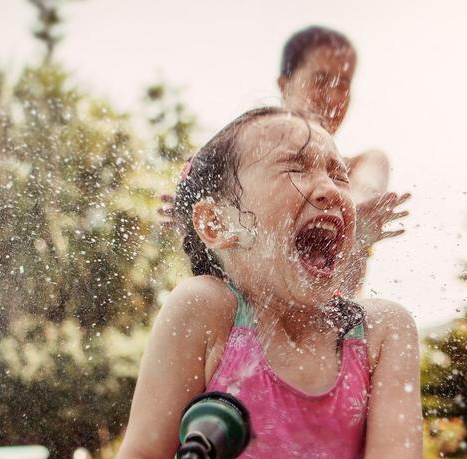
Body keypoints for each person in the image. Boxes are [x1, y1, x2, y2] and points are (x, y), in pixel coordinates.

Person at [116, 107, 422, 459]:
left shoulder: (381, 333)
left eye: (338, 174)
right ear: (217, 222)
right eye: (295, 167)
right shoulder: (206, 311)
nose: (329, 189)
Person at [160, 26, 409, 296]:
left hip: (338, 331)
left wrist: (356, 224)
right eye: (321, 79)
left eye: (344, 84)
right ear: (284, 84)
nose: (334, 96)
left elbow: (362, 195)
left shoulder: (365, 163)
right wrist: (195, 217)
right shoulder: (241, 162)